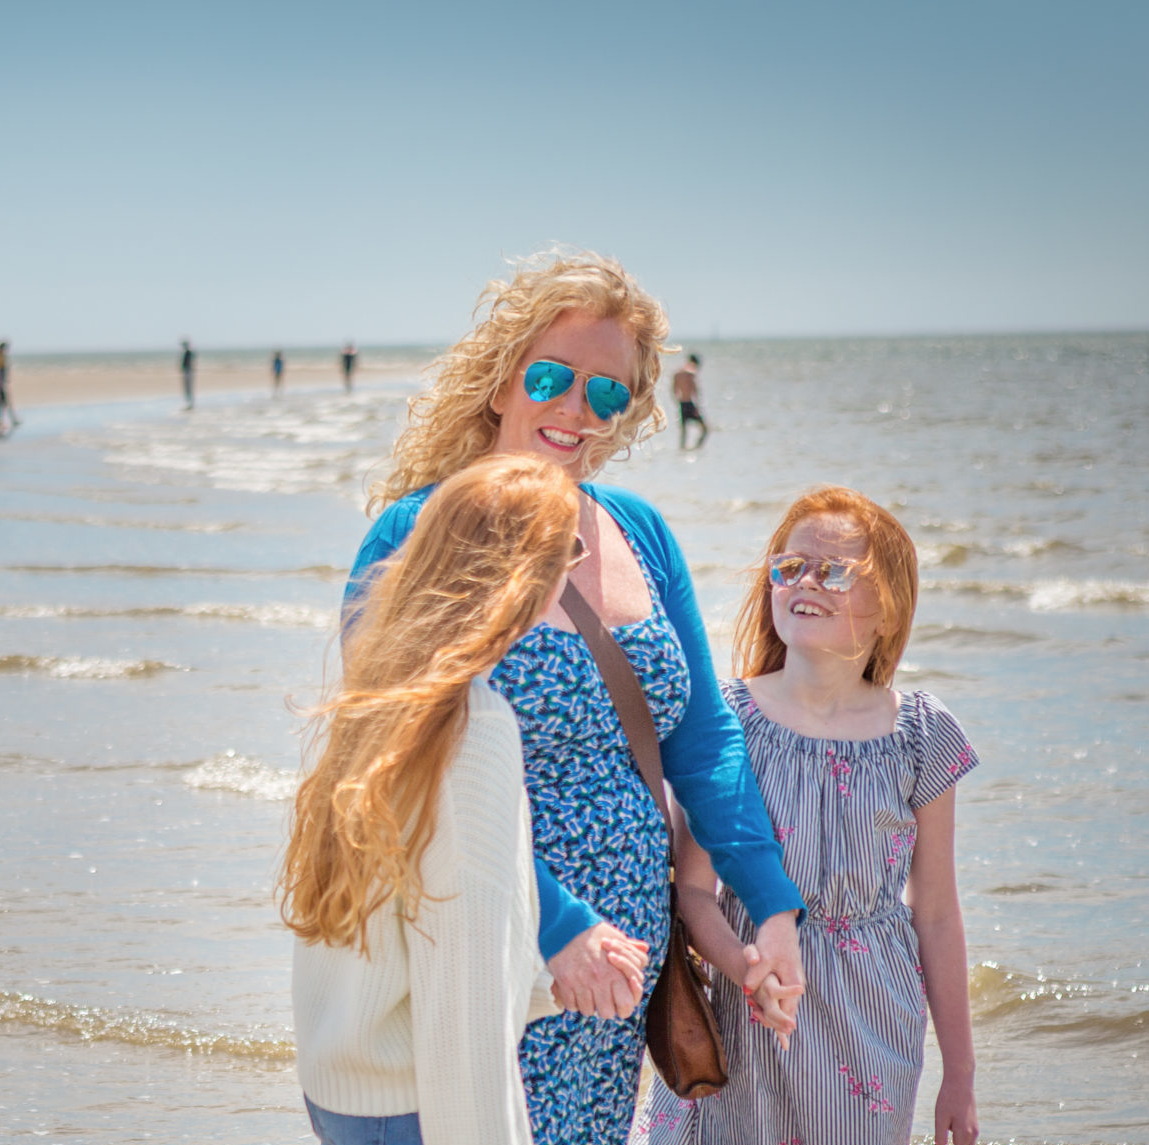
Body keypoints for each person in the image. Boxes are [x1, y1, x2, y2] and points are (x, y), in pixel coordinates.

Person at [345, 250, 806, 1145]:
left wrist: (775, 907)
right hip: (483, 953)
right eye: (552, 376)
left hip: (617, 975)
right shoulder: (414, 533)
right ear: (501, 380)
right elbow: (396, 771)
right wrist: (552, 926)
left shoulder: (638, 531)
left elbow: (703, 738)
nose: (574, 408)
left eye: (607, 393)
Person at [638, 488, 979, 1145]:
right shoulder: (726, 720)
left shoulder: (922, 734)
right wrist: (749, 969)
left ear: (889, 606)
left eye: (836, 571)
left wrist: (959, 1073)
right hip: (744, 1012)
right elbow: (692, 892)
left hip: (870, 1023)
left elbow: (936, 911)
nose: (806, 582)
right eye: (789, 567)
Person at [285, 452, 573, 1145]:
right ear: (527, 578)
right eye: (571, 549)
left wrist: (536, 985)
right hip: (414, 1105)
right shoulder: (473, 726)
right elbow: (465, 992)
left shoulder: (383, 693)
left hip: (341, 1085)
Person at [672, 352, 708, 448]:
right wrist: (697, 406)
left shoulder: (677, 373)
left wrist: (678, 401)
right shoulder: (691, 373)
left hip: (681, 403)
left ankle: (682, 451)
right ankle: (697, 448)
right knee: (705, 429)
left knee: (684, 432)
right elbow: (694, 390)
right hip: (690, 403)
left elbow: (674, 390)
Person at [179, 338, 196, 410]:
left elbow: (189, 362)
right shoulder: (187, 352)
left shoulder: (188, 352)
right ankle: (189, 402)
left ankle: (190, 403)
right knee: (187, 387)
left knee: (188, 387)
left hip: (188, 371)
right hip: (187, 371)